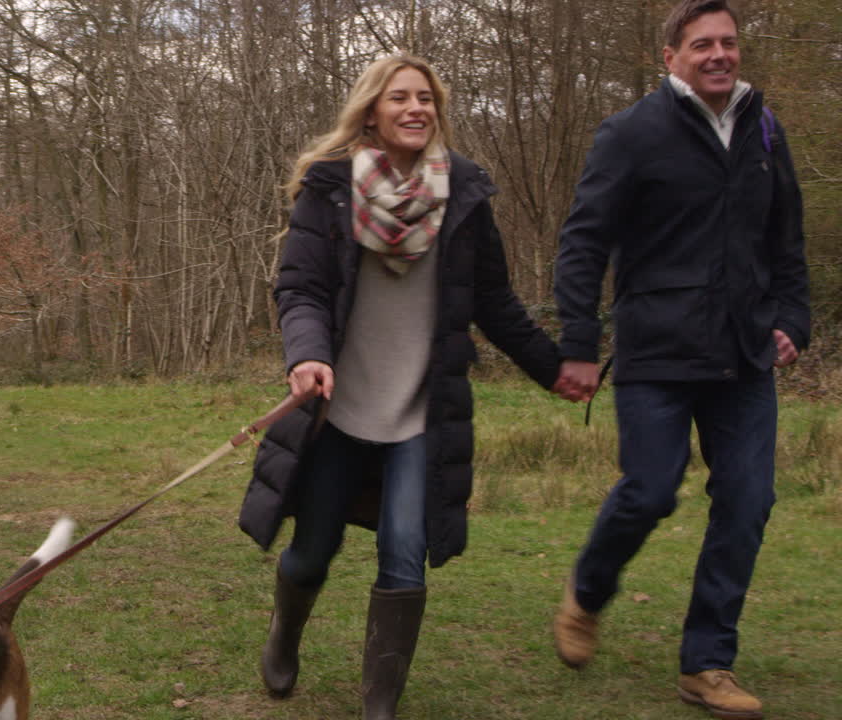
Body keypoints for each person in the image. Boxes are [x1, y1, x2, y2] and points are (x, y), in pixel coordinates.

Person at [237, 53, 584, 720]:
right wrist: (305, 357)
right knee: (311, 553)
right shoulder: (330, 189)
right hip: (338, 410)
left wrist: (555, 367)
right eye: (399, 98)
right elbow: (301, 289)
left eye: (425, 98)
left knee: (404, 556)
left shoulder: (465, 196)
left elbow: (496, 302)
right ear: (373, 110)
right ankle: (284, 634)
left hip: (421, 417)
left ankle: (380, 706)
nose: (415, 108)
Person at [550, 1, 810, 718]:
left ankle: (707, 663)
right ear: (671, 57)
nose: (719, 54)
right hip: (658, 350)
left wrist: (793, 320)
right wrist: (577, 344)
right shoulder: (632, 134)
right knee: (651, 489)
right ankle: (589, 591)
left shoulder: (763, 128)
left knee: (749, 500)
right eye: (702, 44)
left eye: (728, 42)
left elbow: (786, 238)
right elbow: (582, 243)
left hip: (744, 356)